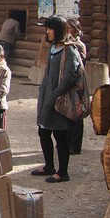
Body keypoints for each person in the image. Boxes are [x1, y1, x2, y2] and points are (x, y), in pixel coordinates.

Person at [32, 16, 80, 183]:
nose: (48, 32)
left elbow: (69, 77)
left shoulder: (69, 50)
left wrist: (54, 95)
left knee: (60, 136)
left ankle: (63, 172)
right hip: (47, 98)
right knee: (43, 132)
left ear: (58, 30)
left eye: (50, 28)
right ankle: (49, 166)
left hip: (59, 101)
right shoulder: (53, 48)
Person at [66, 17, 87, 155]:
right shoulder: (67, 43)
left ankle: (75, 145)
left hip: (77, 83)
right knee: (67, 112)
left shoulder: (79, 45)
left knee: (77, 114)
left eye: (69, 27)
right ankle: (67, 143)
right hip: (68, 83)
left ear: (75, 29)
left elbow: (79, 65)